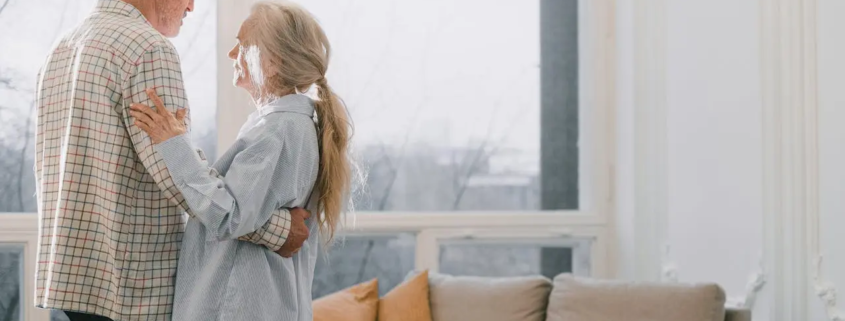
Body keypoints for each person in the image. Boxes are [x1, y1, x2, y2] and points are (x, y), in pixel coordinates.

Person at [33, 0, 310, 320]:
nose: (192, 6)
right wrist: (278, 230)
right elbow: (177, 174)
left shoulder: (60, 50)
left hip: (70, 283)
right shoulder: (147, 49)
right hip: (129, 291)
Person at [129, 2, 352, 320]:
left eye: (243, 45)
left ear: (272, 61)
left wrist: (174, 145)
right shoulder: (293, 125)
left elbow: (227, 216)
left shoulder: (279, 129)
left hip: (237, 308)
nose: (233, 54)